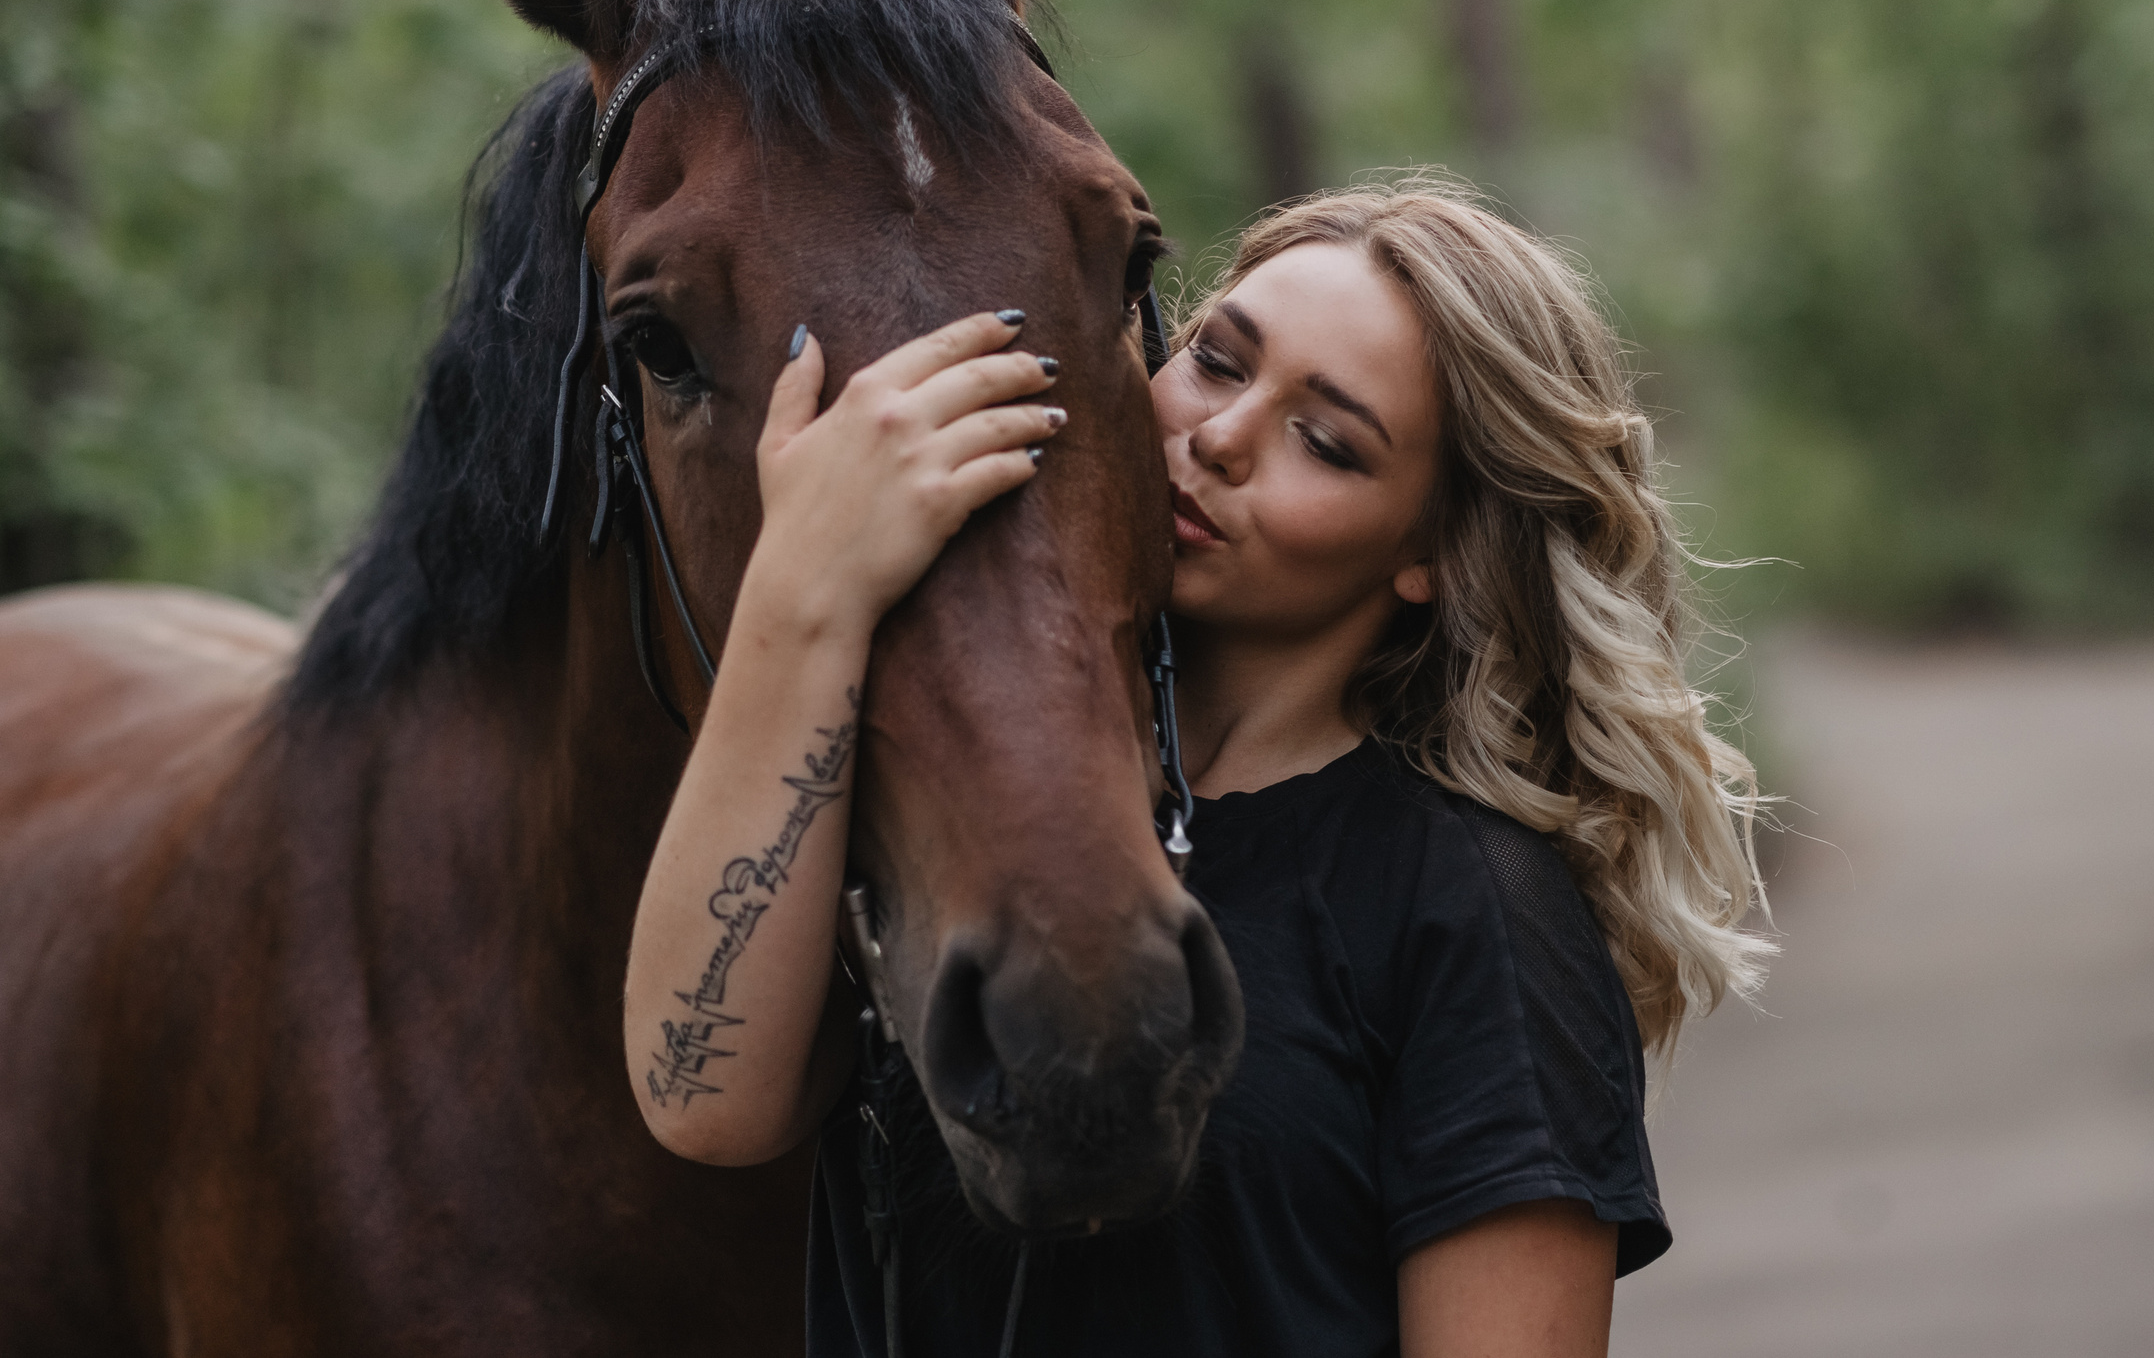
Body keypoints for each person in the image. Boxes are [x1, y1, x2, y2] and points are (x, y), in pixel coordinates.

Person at [623, 176, 1771, 1356]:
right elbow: (704, 1093)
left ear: (1429, 546)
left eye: (1325, 440)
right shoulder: (954, 788)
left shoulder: (1468, 904)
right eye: (1218, 363)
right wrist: (803, 587)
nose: (1219, 437)